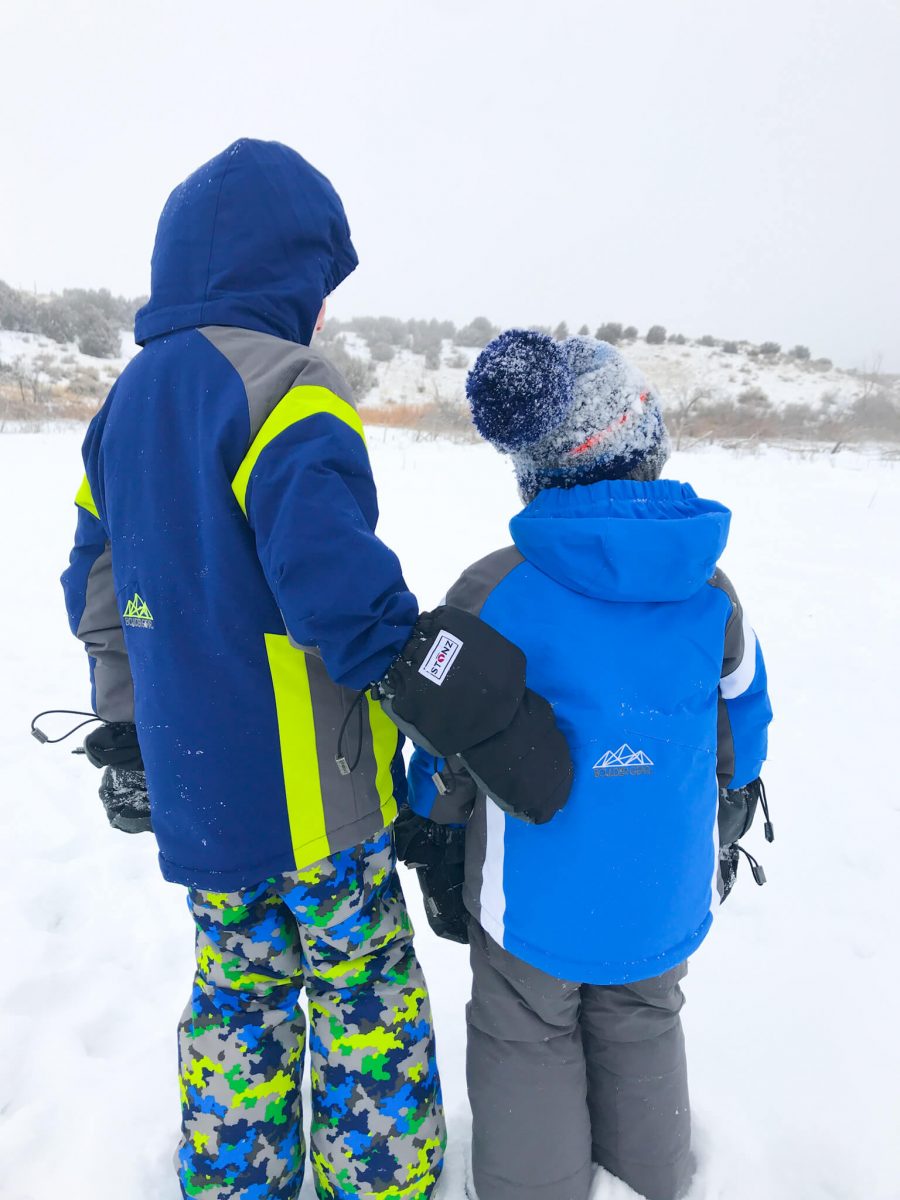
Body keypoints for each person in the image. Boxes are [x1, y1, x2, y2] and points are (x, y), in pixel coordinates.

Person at [60, 141, 572, 1200]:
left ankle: (236, 1175)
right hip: (313, 791)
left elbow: (96, 579)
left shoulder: (125, 406)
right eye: (321, 287)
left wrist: (126, 720)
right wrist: (426, 674)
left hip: (198, 789)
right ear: (283, 269)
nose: (325, 314)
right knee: (361, 990)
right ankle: (377, 1178)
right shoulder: (289, 384)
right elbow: (329, 584)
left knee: (237, 986)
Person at [400, 330, 774, 1200]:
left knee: (525, 1032)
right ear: (645, 448)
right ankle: (652, 1178)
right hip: (661, 882)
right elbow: (742, 717)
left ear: (537, 468)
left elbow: (449, 739)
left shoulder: (495, 589)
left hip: (534, 890)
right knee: (643, 1017)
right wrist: (731, 804)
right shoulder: (711, 588)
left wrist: (432, 824)